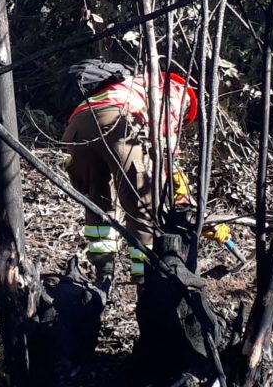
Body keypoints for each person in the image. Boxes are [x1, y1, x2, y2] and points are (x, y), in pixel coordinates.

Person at [61, 71, 197, 294]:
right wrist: (182, 193)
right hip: (117, 122)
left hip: (78, 124)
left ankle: (104, 275)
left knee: (98, 200)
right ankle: (146, 279)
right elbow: (166, 149)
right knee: (141, 205)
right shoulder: (175, 92)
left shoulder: (132, 83)